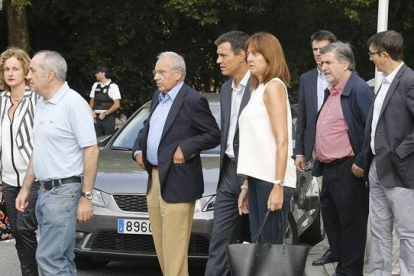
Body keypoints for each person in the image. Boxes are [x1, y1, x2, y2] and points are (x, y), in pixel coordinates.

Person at [132, 51, 220, 276]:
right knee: (161, 245)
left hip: (179, 182)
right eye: (155, 72)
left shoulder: (193, 100)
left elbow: (212, 134)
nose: (156, 77)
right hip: (155, 179)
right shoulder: (157, 97)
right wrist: (138, 149)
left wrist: (186, 148)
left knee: (174, 247)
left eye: (161, 72)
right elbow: (146, 128)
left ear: (178, 74)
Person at [15, 50, 99, 276]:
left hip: (64, 193)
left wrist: (86, 197)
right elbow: (38, 150)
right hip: (45, 193)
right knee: (61, 259)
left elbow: (91, 150)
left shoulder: (73, 104)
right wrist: (25, 187)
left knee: (50, 258)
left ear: (49, 74)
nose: (28, 75)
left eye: (32, 70)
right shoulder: (42, 103)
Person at [313, 42, 374, 276]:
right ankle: (343, 267)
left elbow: (372, 129)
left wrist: (361, 160)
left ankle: (350, 271)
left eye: (328, 62)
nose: (323, 67)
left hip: (349, 168)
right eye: (322, 63)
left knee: (351, 226)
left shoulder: (358, 89)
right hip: (330, 169)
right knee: (333, 221)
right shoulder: (334, 90)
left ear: (345, 64)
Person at [237, 32, 296, 244]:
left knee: (269, 251)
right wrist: (245, 185)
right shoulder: (258, 88)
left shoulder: (274, 87)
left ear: (270, 57)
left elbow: (282, 140)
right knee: (261, 250)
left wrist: (278, 185)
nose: (249, 59)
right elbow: (256, 143)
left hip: (271, 180)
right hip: (257, 179)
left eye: (256, 54)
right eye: (248, 53)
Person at [364, 30, 414, 276]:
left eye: (373, 55)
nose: (370, 59)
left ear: (384, 54)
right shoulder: (382, 81)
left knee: (407, 232)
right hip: (376, 167)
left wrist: (398, 153)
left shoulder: (409, 80)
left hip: (400, 170)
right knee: (379, 229)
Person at [205, 31, 250, 276]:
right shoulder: (224, 89)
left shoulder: (262, 86)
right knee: (220, 241)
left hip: (255, 174)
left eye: (223, 55)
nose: (218, 61)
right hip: (228, 172)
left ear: (241, 55)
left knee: (258, 242)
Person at [295, 30, 337, 266]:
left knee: (337, 201)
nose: (318, 54)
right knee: (320, 203)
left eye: (323, 49)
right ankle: (331, 248)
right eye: (315, 49)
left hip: (339, 152)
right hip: (313, 151)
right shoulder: (307, 79)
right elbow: (302, 119)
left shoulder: (344, 76)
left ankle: (339, 247)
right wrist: (299, 151)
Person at [0, 48, 40, 276]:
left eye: (15, 68)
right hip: (8, 180)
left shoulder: (36, 100)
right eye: (6, 69)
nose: (10, 73)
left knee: (25, 228)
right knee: (17, 231)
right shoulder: (1, 101)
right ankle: (29, 271)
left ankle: (33, 271)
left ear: (26, 71)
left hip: (33, 178)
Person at [89, 65, 121, 136]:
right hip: (96, 117)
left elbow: (117, 105)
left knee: (108, 140)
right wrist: (91, 112)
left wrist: (105, 114)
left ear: (103, 73)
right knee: (96, 141)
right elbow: (92, 101)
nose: (95, 74)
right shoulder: (95, 85)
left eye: (97, 73)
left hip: (108, 118)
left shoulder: (113, 87)